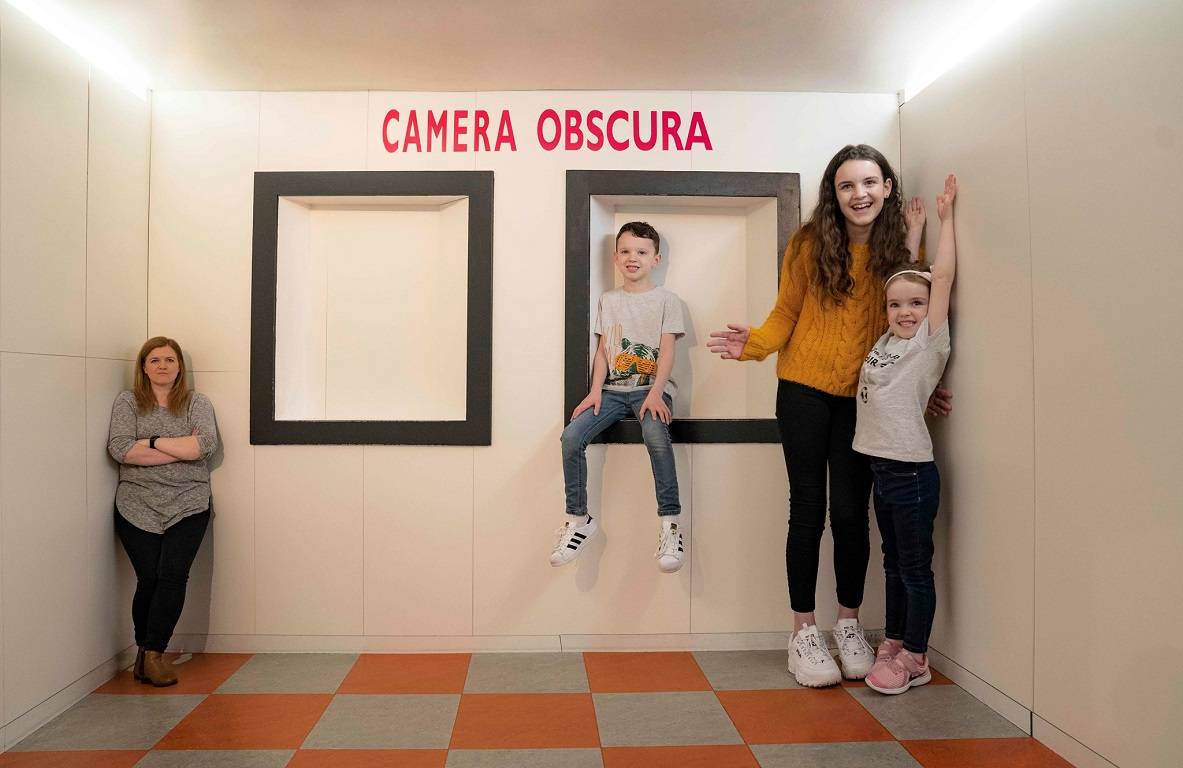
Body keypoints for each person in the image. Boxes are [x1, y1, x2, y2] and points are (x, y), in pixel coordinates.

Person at [708, 144, 950, 687]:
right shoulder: (809, 243)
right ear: (833, 194)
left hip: (861, 402)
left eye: (869, 183)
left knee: (851, 513)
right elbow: (785, 315)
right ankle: (803, 632)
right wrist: (755, 344)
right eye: (846, 186)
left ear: (886, 186)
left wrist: (922, 389)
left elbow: (910, 329)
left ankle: (848, 623)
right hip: (802, 392)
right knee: (808, 509)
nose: (858, 194)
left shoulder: (898, 249)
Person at [859, 175, 957, 695]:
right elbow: (908, 278)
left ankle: (916, 657)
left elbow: (936, 280)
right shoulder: (890, 337)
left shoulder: (927, 344)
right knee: (892, 563)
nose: (905, 312)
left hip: (912, 473)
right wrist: (912, 232)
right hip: (881, 467)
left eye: (914, 307)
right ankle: (894, 639)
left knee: (915, 570)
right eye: (896, 305)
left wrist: (945, 220)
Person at [550, 221, 687, 572]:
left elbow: (668, 353)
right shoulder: (608, 301)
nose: (632, 258)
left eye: (641, 252)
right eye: (625, 251)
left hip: (650, 391)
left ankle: (670, 523)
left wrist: (656, 393)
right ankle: (578, 520)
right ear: (615, 257)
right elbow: (604, 352)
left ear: (655, 259)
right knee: (570, 437)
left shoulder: (667, 301)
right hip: (612, 392)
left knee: (656, 437)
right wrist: (595, 391)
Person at [108, 336, 217, 686]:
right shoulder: (127, 402)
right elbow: (120, 449)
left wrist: (151, 442)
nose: (163, 366)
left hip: (189, 503)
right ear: (143, 366)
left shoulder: (196, 403)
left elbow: (205, 446)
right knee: (150, 579)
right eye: (155, 360)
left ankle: (153, 654)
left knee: (173, 575)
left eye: (170, 360)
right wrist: (180, 448)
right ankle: (145, 655)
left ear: (179, 367)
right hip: (136, 503)